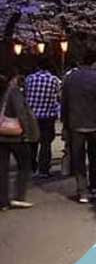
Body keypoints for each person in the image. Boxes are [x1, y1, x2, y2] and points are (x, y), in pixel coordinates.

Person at [61, 50, 96, 203]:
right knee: (93, 155)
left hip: (75, 123)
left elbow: (64, 102)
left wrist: (65, 123)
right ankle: (94, 187)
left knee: (78, 157)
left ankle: (82, 190)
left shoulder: (69, 78)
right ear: (95, 63)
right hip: (94, 123)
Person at [0, 71, 39, 210]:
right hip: (15, 134)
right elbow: (20, 112)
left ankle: (2, 200)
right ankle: (19, 196)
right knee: (24, 164)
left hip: (1, 134)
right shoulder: (14, 92)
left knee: (2, 168)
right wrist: (27, 132)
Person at [24, 58, 61, 178]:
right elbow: (58, 96)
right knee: (46, 144)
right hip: (47, 115)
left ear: (38, 66)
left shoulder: (29, 79)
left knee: (31, 143)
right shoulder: (54, 80)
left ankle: (30, 168)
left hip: (31, 115)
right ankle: (43, 170)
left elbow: (25, 94)